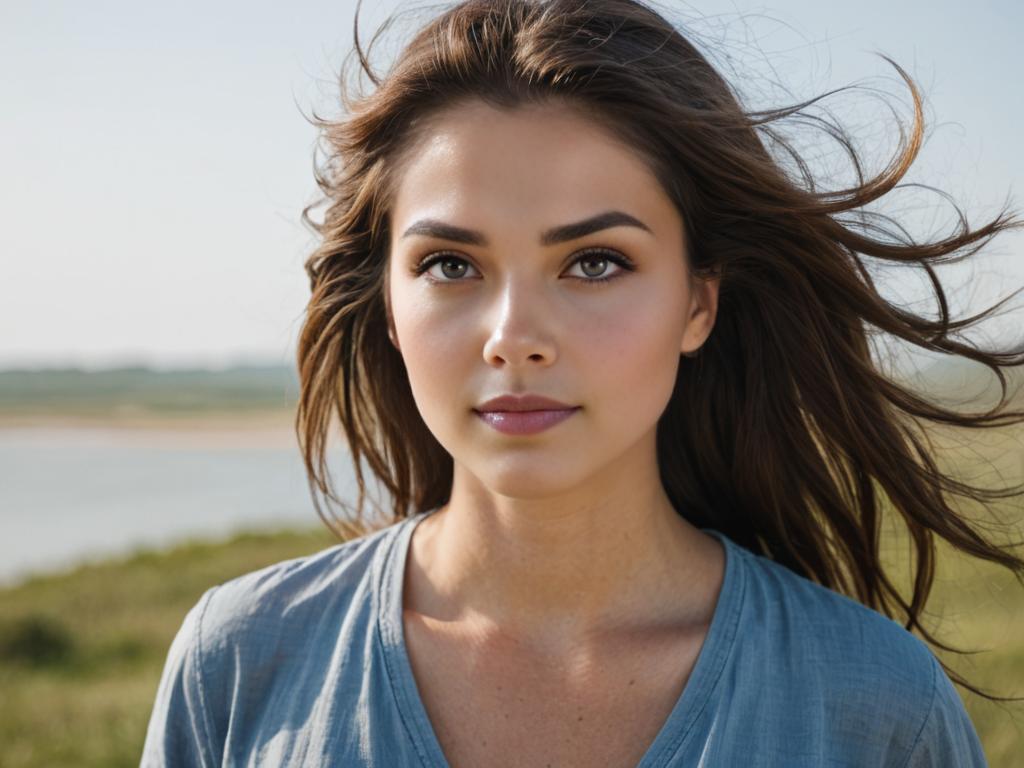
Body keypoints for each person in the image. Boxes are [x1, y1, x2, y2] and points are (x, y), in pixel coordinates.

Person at [142, 0, 1024, 765]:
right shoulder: (240, 663)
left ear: (698, 305)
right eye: (450, 265)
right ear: (386, 307)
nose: (514, 337)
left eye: (595, 263)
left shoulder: (875, 711)